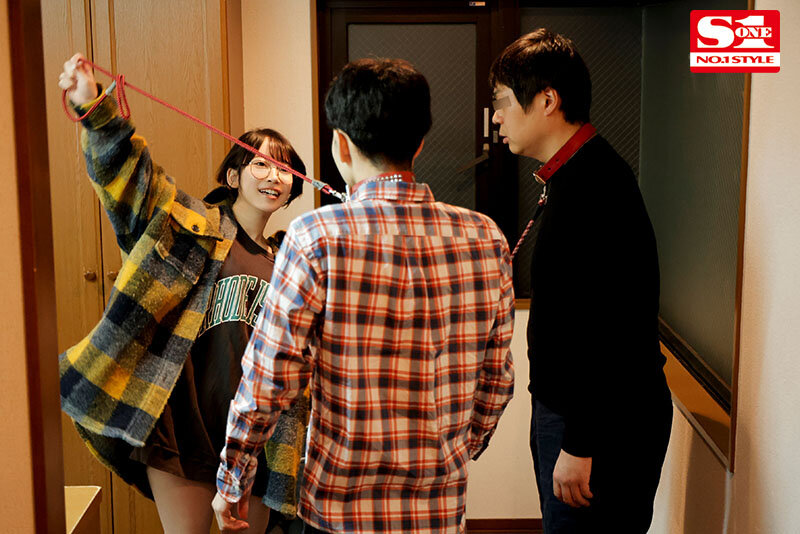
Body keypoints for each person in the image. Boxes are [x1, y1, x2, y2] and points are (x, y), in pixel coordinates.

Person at [212, 58, 516, 534]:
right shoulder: (485, 237)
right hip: (438, 510)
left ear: (341, 144)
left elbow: (269, 378)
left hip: (339, 509)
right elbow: (497, 381)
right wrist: (455, 451)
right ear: (419, 142)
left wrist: (234, 477)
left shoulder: (315, 236)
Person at [58, 53, 309, 534]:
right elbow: (132, 180)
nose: (274, 176)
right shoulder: (190, 225)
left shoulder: (293, 261)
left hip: (258, 437)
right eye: (261, 164)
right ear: (233, 177)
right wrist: (94, 108)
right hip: (184, 425)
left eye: (284, 169)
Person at [489, 29, 673, 533]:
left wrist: (579, 442)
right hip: (581, 416)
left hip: (598, 425)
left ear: (547, 100)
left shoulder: (594, 184)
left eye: (503, 102)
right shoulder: (575, 174)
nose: (497, 117)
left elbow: (613, 325)